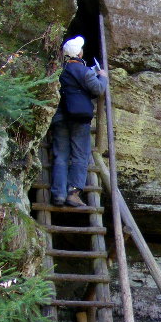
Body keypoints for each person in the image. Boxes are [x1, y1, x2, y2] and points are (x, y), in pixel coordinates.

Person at [50, 36, 108, 207]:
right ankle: (73, 193)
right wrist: (102, 77)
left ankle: (58, 194)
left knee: (60, 155)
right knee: (80, 156)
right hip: (80, 118)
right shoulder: (84, 71)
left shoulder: (58, 70)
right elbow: (97, 89)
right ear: (79, 53)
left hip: (60, 116)